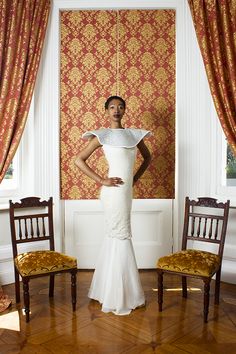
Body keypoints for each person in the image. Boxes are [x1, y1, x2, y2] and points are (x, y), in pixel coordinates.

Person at [75, 96, 151, 315]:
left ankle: (110, 290)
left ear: (125, 110)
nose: (116, 110)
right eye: (112, 107)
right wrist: (102, 180)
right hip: (112, 194)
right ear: (106, 111)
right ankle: (117, 295)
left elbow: (148, 158)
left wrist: (135, 178)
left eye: (120, 107)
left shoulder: (135, 135)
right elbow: (78, 160)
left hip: (126, 192)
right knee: (120, 234)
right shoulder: (103, 135)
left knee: (119, 234)